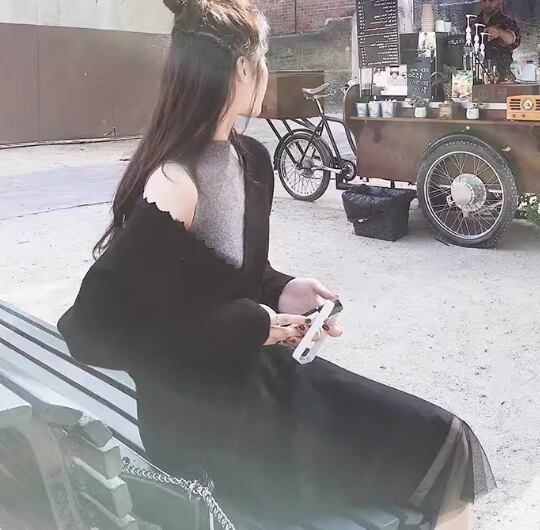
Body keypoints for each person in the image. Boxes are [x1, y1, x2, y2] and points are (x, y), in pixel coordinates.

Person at [57, 0, 495, 528]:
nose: (266, 70)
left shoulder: (251, 159)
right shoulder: (174, 185)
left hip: (258, 377)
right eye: (263, 58)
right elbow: (89, 332)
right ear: (244, 68)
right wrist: (248, 324)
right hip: (202, 420)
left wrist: (288, 291)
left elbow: (240, 277)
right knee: (427, 451)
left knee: (441, 439)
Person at [476, 0, 521, 81]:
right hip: (476, 76)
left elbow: (512, 40)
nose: (487, 3)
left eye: (491, 0)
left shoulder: (507, 22)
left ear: (499, 1)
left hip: (502, 78)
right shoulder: (472, 23)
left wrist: (500, 33)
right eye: (484, 0)